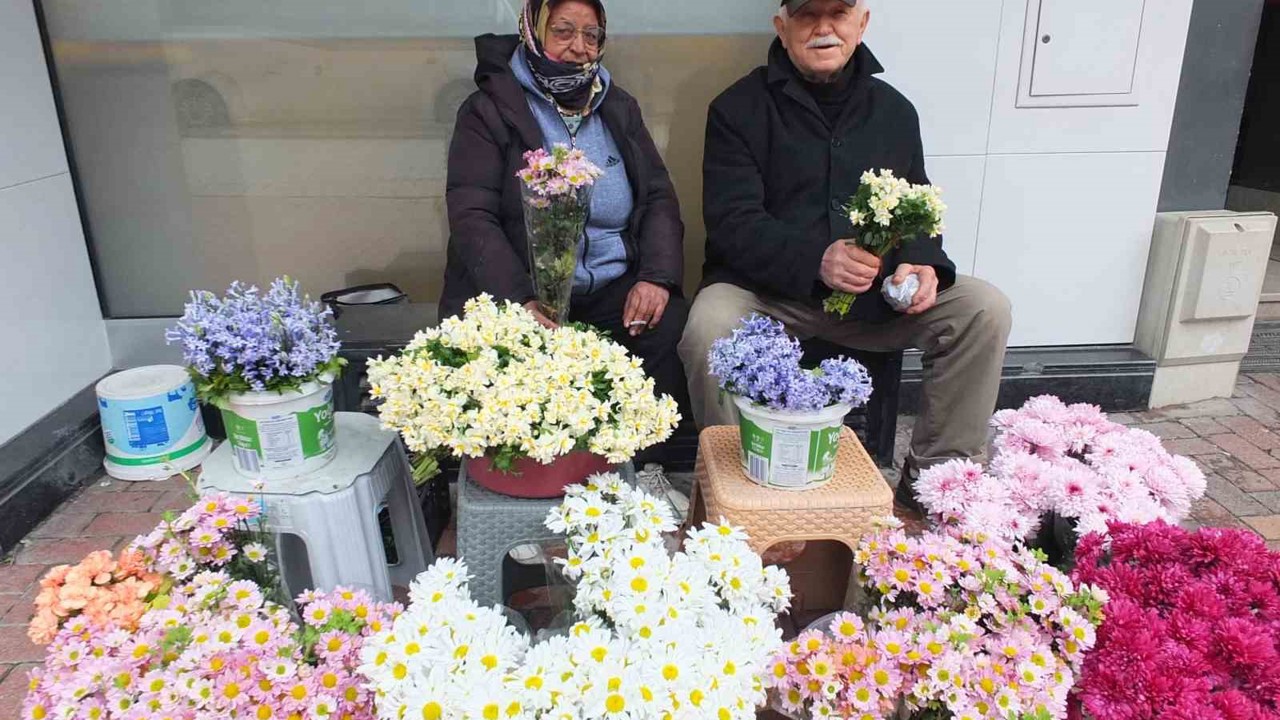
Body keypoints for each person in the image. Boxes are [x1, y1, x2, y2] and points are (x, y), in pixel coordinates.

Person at [679, 0, 1013, 510]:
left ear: (862, 23)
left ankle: (937, 485)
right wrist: (816, 259)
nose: (823, 28)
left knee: (983, 309)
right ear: (782, 28)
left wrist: (921, 262)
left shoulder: (894, 111)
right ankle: (738, 495)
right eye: (807, 15)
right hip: (767, 295)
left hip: (872, 300)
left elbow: (918, 206)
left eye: (838, 13)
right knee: (708, 325)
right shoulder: (737, 109)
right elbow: (732, 223)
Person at [440, 0, 691, 420]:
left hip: (612, 289)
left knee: (666, 326)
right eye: (562, 31)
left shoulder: (618, 106)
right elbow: (472, 216)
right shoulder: (489, 110)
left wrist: (656, 278)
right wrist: (520, 301)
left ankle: (649, 454)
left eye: (591, 35)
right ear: (533, 33)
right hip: (523, 292)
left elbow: (658, 197)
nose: (579, 47)